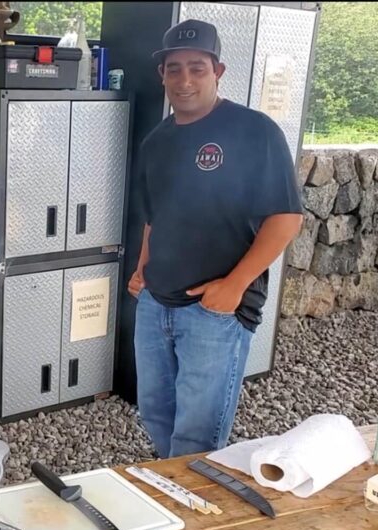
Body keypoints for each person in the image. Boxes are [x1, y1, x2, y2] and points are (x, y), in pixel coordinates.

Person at [126, 20, 304, 459]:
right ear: (162, 75)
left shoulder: (254, 131)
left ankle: (192, 520)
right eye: (174, 69)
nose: (184, 80)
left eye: (197, 68)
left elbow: (286, 217)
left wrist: (235, 285)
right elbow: (154, 216)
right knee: (155, 415)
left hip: (215, 310)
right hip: (156, 303)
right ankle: (171, 504)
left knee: (196, 435)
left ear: (218, 71)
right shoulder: (157, 141)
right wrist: (142, 270)